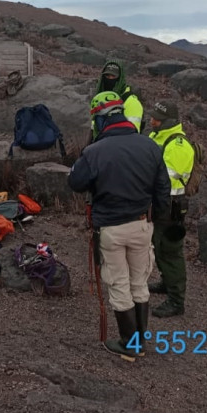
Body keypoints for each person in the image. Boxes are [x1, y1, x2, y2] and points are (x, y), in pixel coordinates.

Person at [68, 91, 172, 361]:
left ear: (100, 120)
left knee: (119, 285)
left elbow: (75, 183)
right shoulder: (150, 146)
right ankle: (139, 342)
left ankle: (130, 344)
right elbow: (163, 188)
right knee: (139, 284)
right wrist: (159, 221)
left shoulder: (94, 151)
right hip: (141, 225)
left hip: (111, 229)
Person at [147, 100, 195, 317]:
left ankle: (176, 301)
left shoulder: (178, 145)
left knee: (170, 252)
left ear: (169, 121)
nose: (152, 120)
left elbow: (165, 177)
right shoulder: (157, 137)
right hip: (159, 204)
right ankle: (167, 283)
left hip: (171, 206)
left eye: (157, 118)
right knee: (159, 246)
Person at [94, 59, 143, 134]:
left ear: (120, 78)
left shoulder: (131, 102)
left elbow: (132, 134)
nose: (110, 79)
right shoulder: (98, 99)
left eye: (113, 76)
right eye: (107, 75)